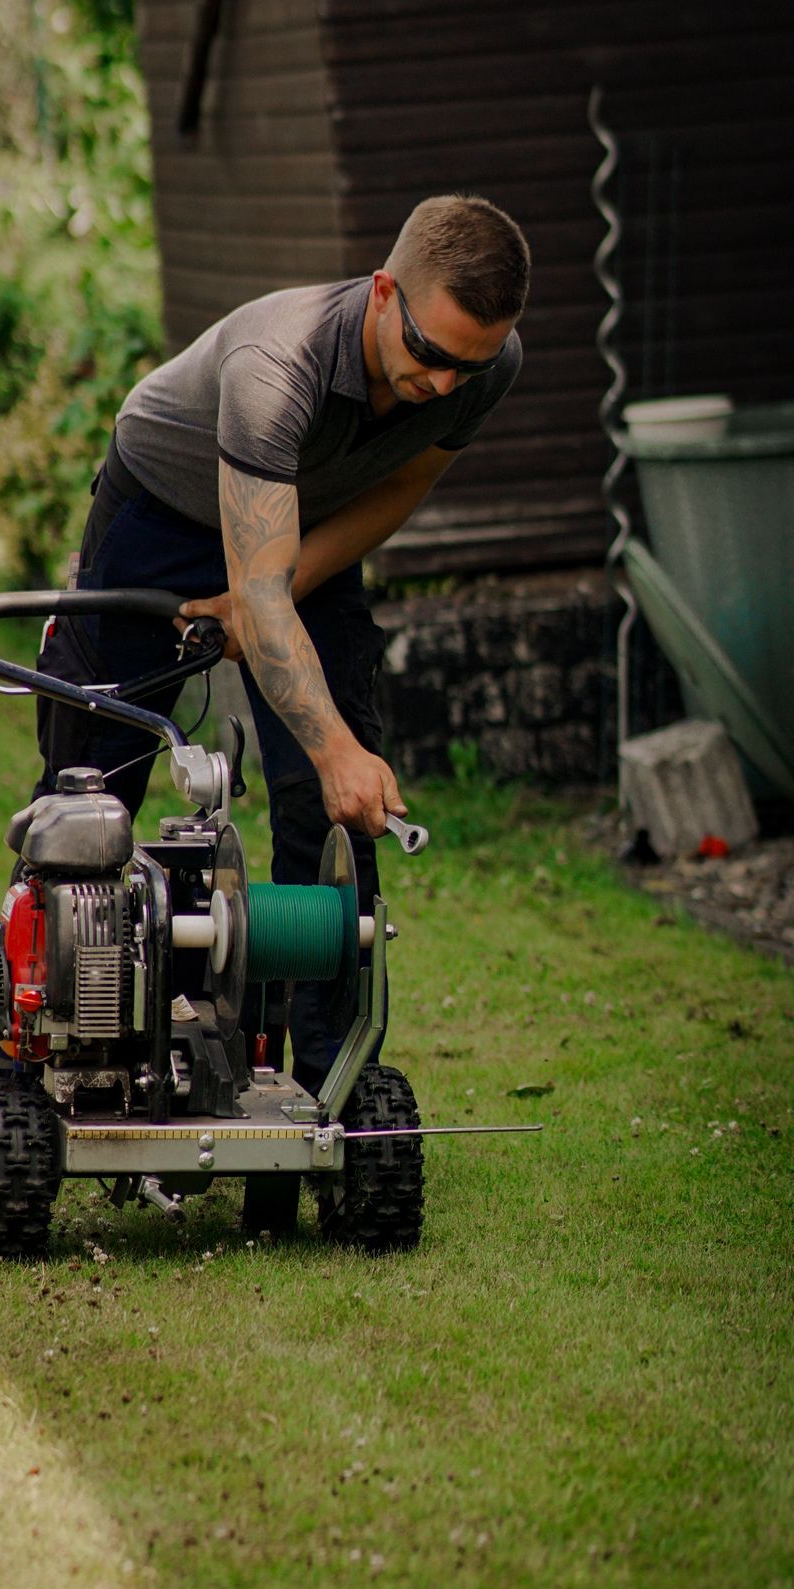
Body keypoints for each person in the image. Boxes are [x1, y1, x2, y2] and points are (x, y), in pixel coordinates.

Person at [34, 193, 531, 1086]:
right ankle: (66, 1039)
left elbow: (398, 488)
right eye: (431, 354)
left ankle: (326, 1075)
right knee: (92, 781)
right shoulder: (280, 362)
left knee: (336, 800)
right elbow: (257, 599)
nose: (447, 384)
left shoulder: (481, 366)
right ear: (383, 293)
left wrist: (283, 625)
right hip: (161, 509)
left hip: (302, 530)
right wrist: (260, 611)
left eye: (472, 364)